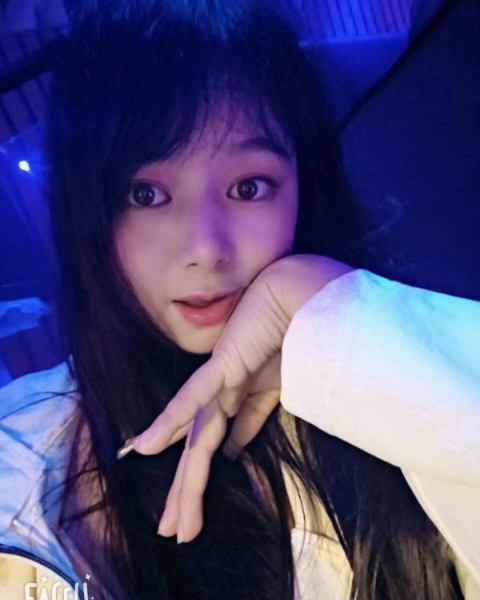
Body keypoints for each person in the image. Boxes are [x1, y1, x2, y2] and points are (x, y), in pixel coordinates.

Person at [0, 2, 478, 599]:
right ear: (85, 212)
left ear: (305, 186)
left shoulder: (371, 363)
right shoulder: (22, 459)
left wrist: (336, 318)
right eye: (146, 194)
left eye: (248, 187)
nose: (205, 249)